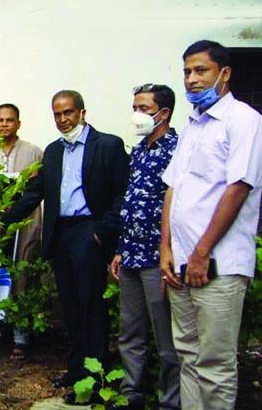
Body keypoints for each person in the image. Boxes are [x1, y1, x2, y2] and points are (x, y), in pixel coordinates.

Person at [2, 90, 129, 406]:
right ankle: (76, 370)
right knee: (70, 308)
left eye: (68, 113)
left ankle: (93, 381)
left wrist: (103, 231)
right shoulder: (54, 151)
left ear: (83, 113)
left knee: (91, 308)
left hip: (90, 232)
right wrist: (3, 220)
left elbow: (122, 193)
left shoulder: (108, 145)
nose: (62, 119)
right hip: (61, 235)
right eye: (57, 114)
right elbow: (36, 193)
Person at [160, 40, 262, 410]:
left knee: (215, 364)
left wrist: (202, 252)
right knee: (187, 356)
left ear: (225, 73)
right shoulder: (190, 127)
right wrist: (167, 251)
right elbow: (173, 189)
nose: (191, 79)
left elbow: (238, 188)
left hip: (218, 266)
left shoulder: (244, 121)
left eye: (200, 70)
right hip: (182, 265)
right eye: (187, 71)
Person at [108, 84, 180, 410]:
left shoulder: (177, 149)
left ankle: (169, 402)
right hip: (132, 254)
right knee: (130, 332)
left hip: (159, 256)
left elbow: (175, 203)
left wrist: (169, 251)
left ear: (163, 113)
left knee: (167, 339)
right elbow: (131, 201)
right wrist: (121, 248)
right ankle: (131, 396)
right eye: (134, 107)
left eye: (143, 108)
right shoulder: (138, 150)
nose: (137, 114)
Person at [0, 103, 43, 361]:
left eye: (9, 120)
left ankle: (21, 338)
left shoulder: (34, 153)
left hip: (26, 224)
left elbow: (41, 187)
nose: (4, 124)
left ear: (18, 124)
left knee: (22, 276)